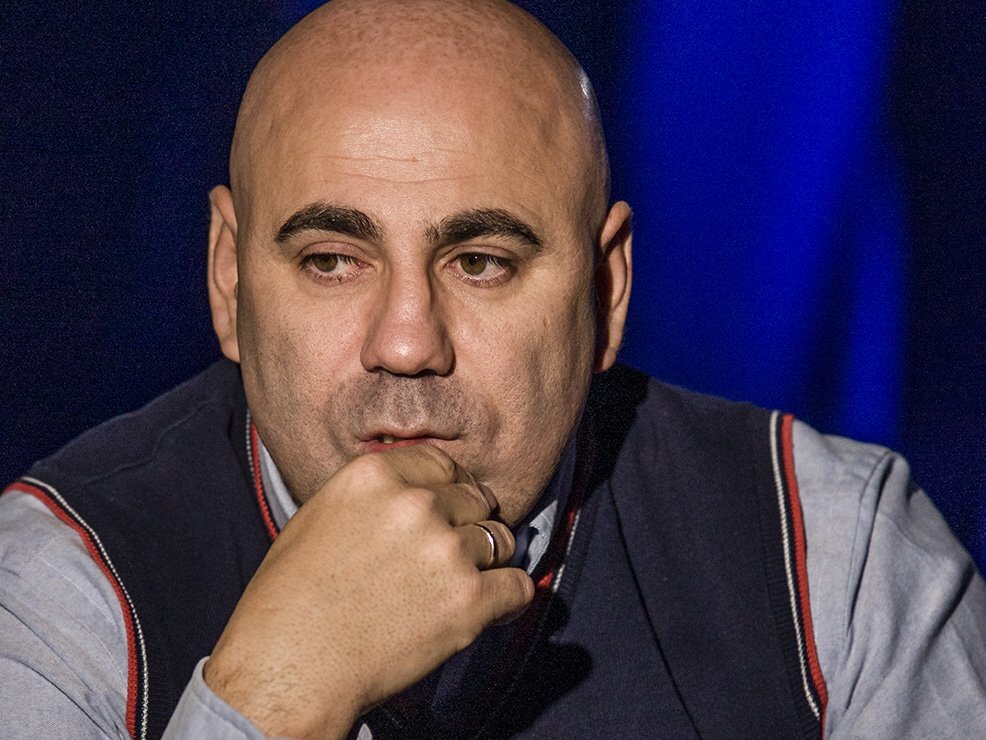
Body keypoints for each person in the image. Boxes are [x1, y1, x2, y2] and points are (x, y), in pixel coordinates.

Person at [2, 0, 984, 737]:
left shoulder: (836, 563)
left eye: (480, 262)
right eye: (332, 260)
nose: (405, 342)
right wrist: (269, 702)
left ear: (605, 289)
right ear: (227, 279)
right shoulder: (65, 582)